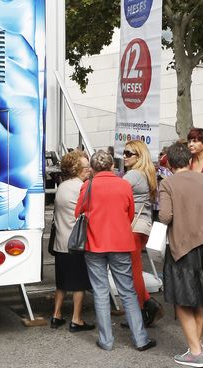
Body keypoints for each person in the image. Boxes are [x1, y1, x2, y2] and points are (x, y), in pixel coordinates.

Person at [76, 151, 155, 352]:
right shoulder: (123, 185)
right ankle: (140, 339)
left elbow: (78, 212)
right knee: (127, 291)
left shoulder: (88, 185)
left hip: (94, 244)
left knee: (101, 291)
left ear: (92, 169)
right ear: (112, 166)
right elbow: (129, 214)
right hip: (121, 243)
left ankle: (106, 340)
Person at [158, 142, 203, 367]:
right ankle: (197, 345)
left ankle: (195, 352)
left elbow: (165, 216)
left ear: (170, 163)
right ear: (189, 160)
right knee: (200, 297)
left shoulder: (167, 183)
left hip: (183, 245)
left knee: (182, 299)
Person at [51, 151, 95, 331]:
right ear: (76, 169)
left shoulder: (62, 186)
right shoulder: (81, 187)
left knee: (61, 283)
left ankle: (56, 315)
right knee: (79, 283)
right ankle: (76, 319)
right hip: (75, 243)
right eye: (85, 167)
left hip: (60, 241)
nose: (89, 170)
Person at [121, 139, 163, 325]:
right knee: (133, 269)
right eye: (124, 152)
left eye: (129, 153)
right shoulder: (146, 173)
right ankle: (142, 307)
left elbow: (115, 193)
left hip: (133, 227)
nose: (124, 156)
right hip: (142, 226)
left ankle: (144, 306)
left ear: (139, 155)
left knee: (132, 271)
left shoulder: (134, 175)